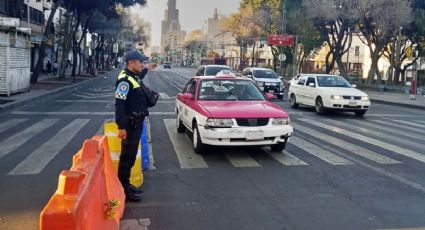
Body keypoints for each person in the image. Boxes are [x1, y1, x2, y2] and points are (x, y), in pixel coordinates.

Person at [115, 50, 149, 202]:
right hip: (129, 125)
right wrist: (121, 127)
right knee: (127, 158)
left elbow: (140, 76)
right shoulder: (124, 81)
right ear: (131, 63)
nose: (142, 64)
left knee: (131, 156)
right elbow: (119, 104)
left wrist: (148, 68)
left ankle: (126, 185)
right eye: (140, 62)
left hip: (136, 124)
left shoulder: (132, 76)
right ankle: (123, 190)